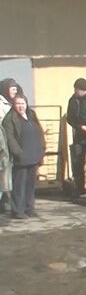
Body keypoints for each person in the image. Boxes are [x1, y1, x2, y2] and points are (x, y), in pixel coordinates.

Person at [2, 94, 45, 219]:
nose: (21, 106)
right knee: (19, 185)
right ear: (13, 105)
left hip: (34, 155)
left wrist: (42, 149)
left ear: (26, 104)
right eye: (18, 104)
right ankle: (18, 210)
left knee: (30, 184)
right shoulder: (9, 119)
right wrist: (19, 153)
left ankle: (29, 208)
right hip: (21, 157)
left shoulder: (31, 115)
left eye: (23, 103)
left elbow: (40, 132)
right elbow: (10, 139)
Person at [0, 78, 22, 212]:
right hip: (2, 145)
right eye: (11, 87)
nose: (15, 89)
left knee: (9, 174)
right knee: (3, 174)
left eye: (15, 87)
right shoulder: (1, 104)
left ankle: (7, 202)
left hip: (12, 144)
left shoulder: (15, 103)